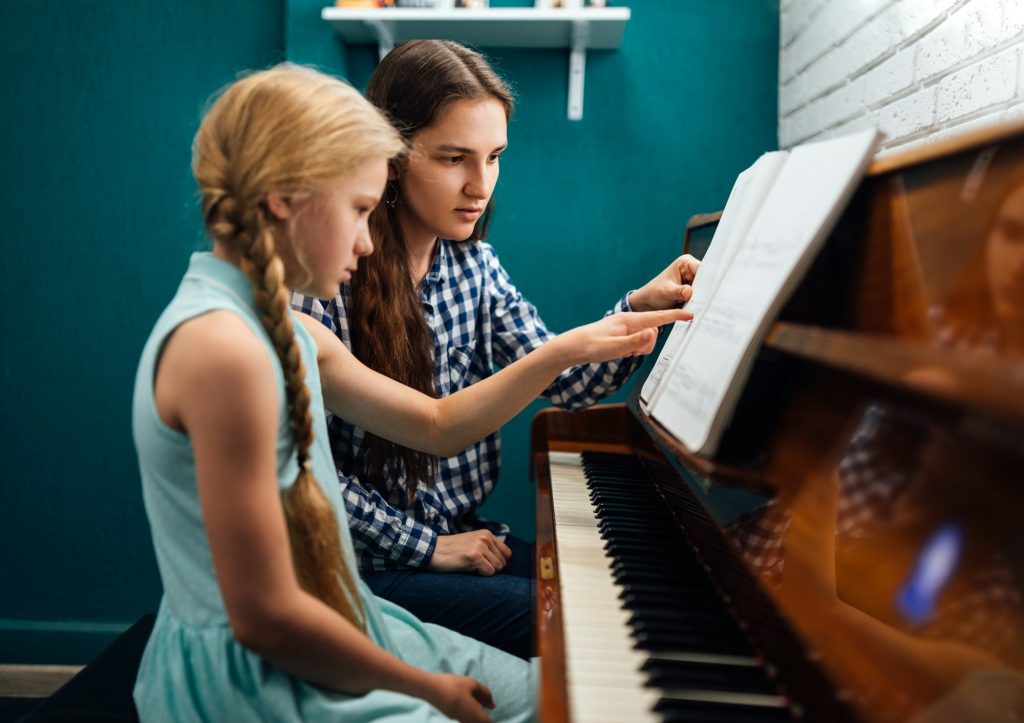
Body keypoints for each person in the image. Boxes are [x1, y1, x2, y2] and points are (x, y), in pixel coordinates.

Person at [132, 63, 687, 722]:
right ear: (284, 197)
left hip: (345, 608)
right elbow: (266, 615)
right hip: (278, 654)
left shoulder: (283, 326)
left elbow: (437, 424)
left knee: (565, 678)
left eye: (494, 157)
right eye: (358, 209)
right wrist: (425, 684)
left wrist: (612, 324)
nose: (368, 241)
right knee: (573, 688)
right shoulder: (232, 348)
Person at [292, 39, 700, 659]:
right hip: (366, 567)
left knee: (628, 594)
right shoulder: (327, 276)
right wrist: (427, 548)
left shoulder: (475, 266)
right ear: (392, 157)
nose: (479, 185)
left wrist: (642, 307)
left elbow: (562, 382)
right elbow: (307, 476)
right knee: (593, 630)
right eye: (453, 158)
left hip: (460, 540)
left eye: (494, 158)